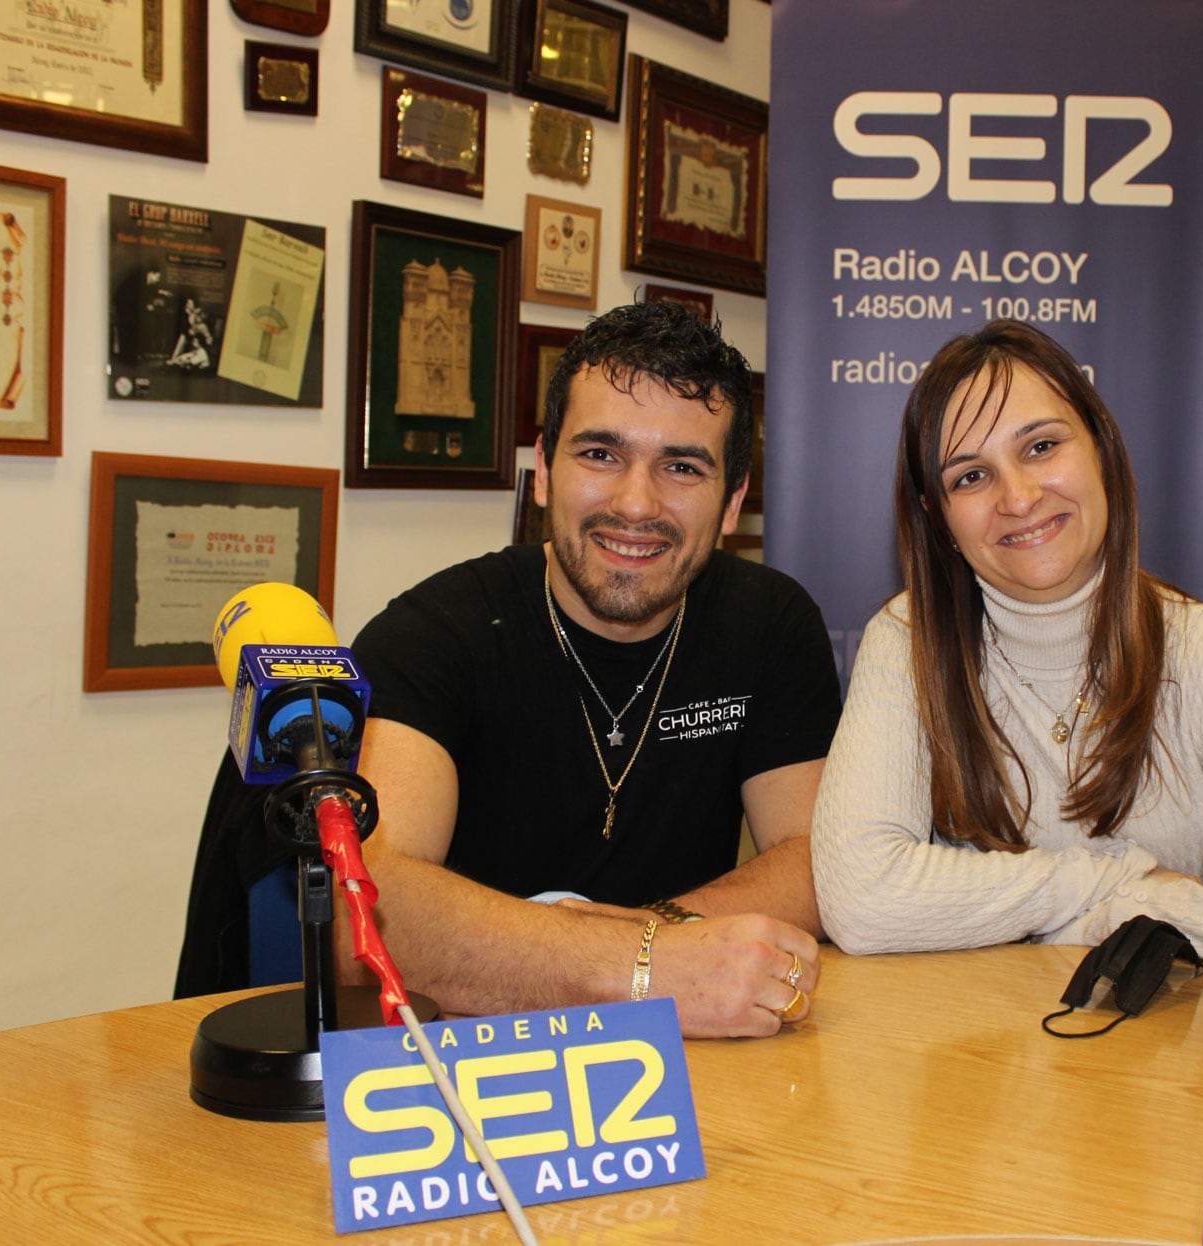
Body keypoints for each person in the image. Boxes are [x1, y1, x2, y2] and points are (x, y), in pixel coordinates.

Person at [811, 320, 1203, 970]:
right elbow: (858, 898)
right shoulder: (905, 643)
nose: (1018, 497)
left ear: (1100, 446)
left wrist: (1138, 919)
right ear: (938, 516)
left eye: (1041, 446)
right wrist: (1109, 886)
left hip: (1157, 1052)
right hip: (971, 1048)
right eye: (970, 477)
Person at [337, 301, 841, 1035]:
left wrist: (653, 939)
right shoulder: (433, 633)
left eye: (682, 467)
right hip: (465, 1060)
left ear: (733, 501)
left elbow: (816, 862)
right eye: (599, 454)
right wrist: (645, 967)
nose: (635, 503)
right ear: (543, 471)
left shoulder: (770, 622)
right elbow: (373, 906)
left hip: (695, 1052)